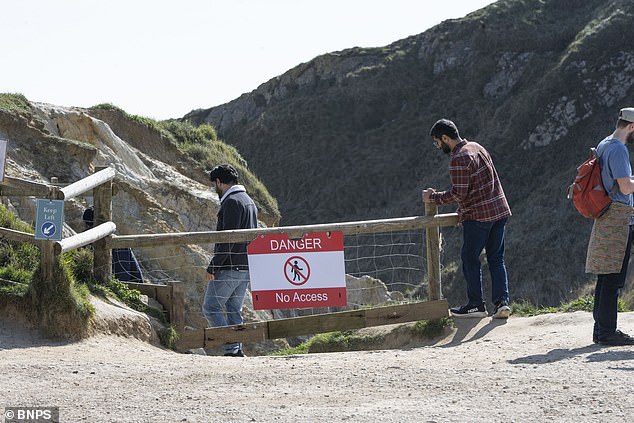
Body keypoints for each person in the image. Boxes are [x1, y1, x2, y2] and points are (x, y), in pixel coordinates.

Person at [423, 119, 512, 319]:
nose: (438, 147)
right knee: (496, 259)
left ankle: (476, 305)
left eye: (437, 142)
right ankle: (502, 303)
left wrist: (433, 197)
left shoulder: (459, 159)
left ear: (445, 138)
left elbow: (458, 194)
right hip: (499, 211)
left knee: (470, 259)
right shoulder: (477, 147)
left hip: (479, 217)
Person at [585, 107, 634, 346]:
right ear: (631, 127)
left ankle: (600, 329)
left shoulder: (605, 143)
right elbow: (625, 187)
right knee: (614, 277)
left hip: (606, 214)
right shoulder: (618, 150)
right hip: (619, 217)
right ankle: (607, 332)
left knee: (605, 276)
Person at [202, 164, 258, 357]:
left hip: (229, 265)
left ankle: (231, 348)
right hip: (245, 265)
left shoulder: (231, 202)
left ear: (219, 182)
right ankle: (237, 349)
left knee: (210, 307)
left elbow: (228, 239)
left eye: (215, 185)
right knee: (234, 309)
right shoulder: (248, 201)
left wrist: (213, 266)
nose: (215, 189)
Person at [82, 206, 144, 283]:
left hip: (97, 284)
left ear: (86, 223)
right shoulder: (120, 242)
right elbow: (137, 275)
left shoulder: (82, 243)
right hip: (125, 286)